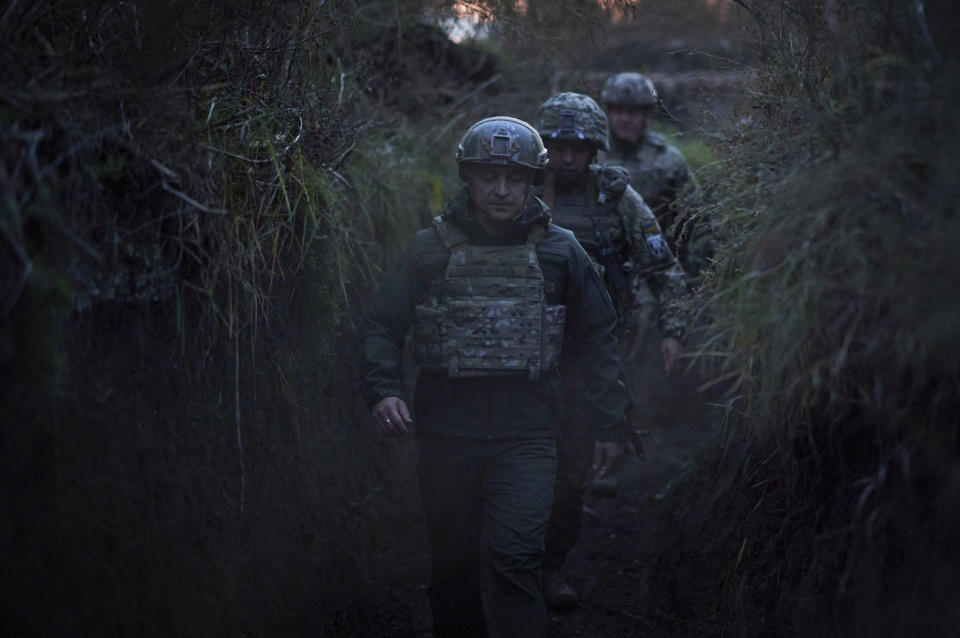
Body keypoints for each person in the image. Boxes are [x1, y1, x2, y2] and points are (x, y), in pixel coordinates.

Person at [358, 116, 629, 638]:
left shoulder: (561, 251)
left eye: (515, 178)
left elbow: (598, 338)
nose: (502, 190)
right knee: (453, 567)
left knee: (515, 560)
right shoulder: (429, 250)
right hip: (446, 435)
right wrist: (383, 391)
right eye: (488, 177)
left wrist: (612, 425)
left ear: (532, 181)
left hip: (527, 436)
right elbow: (381, 324)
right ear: (469, 178)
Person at [533, 91, 689, 609]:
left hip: (591, 355)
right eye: (557, 145)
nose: (568, 156)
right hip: (519, 356)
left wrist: (673, 331)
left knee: (568, 471)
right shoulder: (519, 189)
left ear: (596, 148)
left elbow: (663, 268)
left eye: (579, 146)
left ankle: (549, 566)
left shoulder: (617, 198)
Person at [598, 71, 711, 282]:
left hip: (654, 269)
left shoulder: (668, 161)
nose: (625, 118)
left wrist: (695, 279)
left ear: (647, 114)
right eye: (618, 110)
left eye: (633, 112)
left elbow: (696, 223)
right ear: (609, 111)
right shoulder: (591, 155)